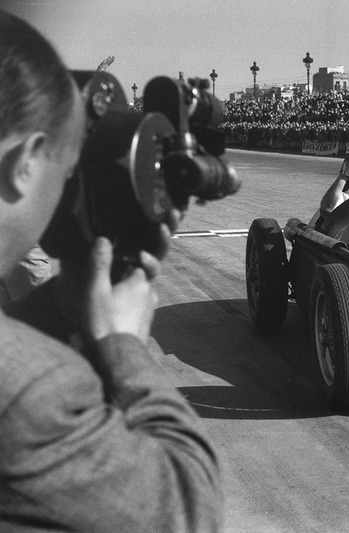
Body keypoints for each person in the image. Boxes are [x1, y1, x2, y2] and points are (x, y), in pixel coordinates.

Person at [0, 11, 221, 531]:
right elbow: (186, 508)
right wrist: (122, 346)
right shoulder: (40, 392)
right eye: (66, 167)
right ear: (27, 162)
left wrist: (66, 303)